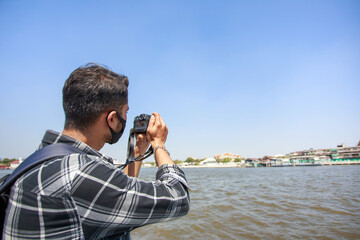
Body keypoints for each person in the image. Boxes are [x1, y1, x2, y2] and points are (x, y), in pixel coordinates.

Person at [3, 63, 190, 239]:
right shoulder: (78, 172)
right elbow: (178, 197)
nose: (127, 118)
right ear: (112, 119)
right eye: (125, 112)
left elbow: (116, 189)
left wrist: (138, 152)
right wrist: (158, 144)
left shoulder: (43, 157)